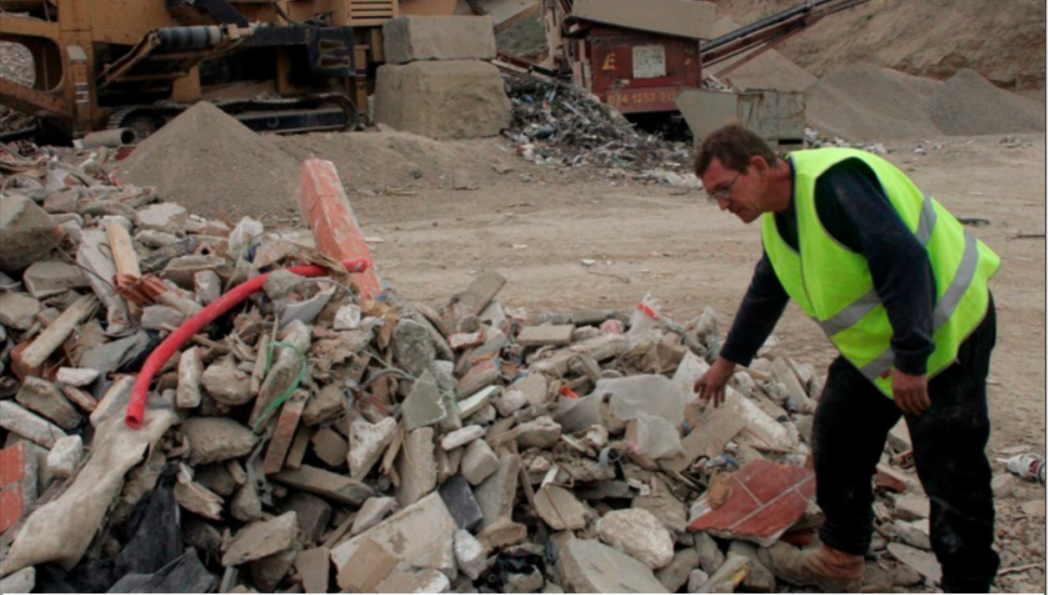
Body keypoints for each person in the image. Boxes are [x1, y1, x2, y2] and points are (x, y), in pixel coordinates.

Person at [691, 124, 1001, 593]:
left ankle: (968, 583)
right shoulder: (780, 218)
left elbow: (904, 262)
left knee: (949, 466)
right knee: (837, 436)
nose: (722, 205)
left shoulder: (834, 185)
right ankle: (841, 556)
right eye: (713, 196)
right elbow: (767, 290)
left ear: (757, 166)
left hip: (946, 330)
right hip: (885, 345)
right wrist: (727, 362)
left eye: (724, 189)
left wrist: (912, 361)